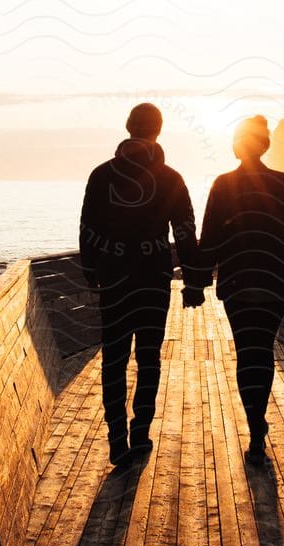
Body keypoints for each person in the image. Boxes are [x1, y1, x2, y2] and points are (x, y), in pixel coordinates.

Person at [182, 114, 284, 466]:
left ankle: (255, 424)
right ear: (264, 144)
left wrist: (197, 283)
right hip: (275, 283)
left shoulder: (223, 185)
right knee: (263, 350)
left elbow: (210, 238)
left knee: (246, 353)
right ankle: (257, 427)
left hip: (238, 284)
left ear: (238, 145)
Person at [79, 103, 198, 466]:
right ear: (159, 131)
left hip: (114, 280)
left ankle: (116, 437)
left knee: (113, 359)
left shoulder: (101, 175)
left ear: (128, 127)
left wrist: (91, 271)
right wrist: (193, 280)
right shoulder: (172, 178)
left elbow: (87, 228)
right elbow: (185, 232)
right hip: (154, 279)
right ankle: (141, 432)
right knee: (149, 359)